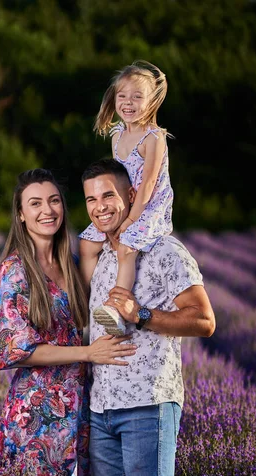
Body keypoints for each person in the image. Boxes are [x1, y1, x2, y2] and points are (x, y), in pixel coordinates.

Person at [0, 168, 137, 476]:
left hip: (78, 408)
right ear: (21, 214)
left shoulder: (70, 263)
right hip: (38, 415)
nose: (46, 210)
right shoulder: (15, 270)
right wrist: (88, 353)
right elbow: (16, 348)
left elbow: (108, 235)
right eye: (34, 203)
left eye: (53, 201)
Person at [81, 158, 215, 476]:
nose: (100, 206)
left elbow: (205, 321)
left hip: (147, 401)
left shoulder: (164, 250)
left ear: (131, 195)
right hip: (102, 404)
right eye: (91, 199)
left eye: (108, 194)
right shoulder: (104, 256)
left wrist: (141, 314)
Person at [79, 60, 174, 336]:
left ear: (152, 101)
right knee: (87, 243)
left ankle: (117, 310)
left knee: (125, 248)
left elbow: (147, 186)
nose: (128, 102)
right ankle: (83, 305)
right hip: (125, 203)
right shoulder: (117, 135)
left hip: (148, 206)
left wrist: (129, 221)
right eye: (122, 96)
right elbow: (115, 178)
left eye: (137, 96)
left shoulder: (153, 138)